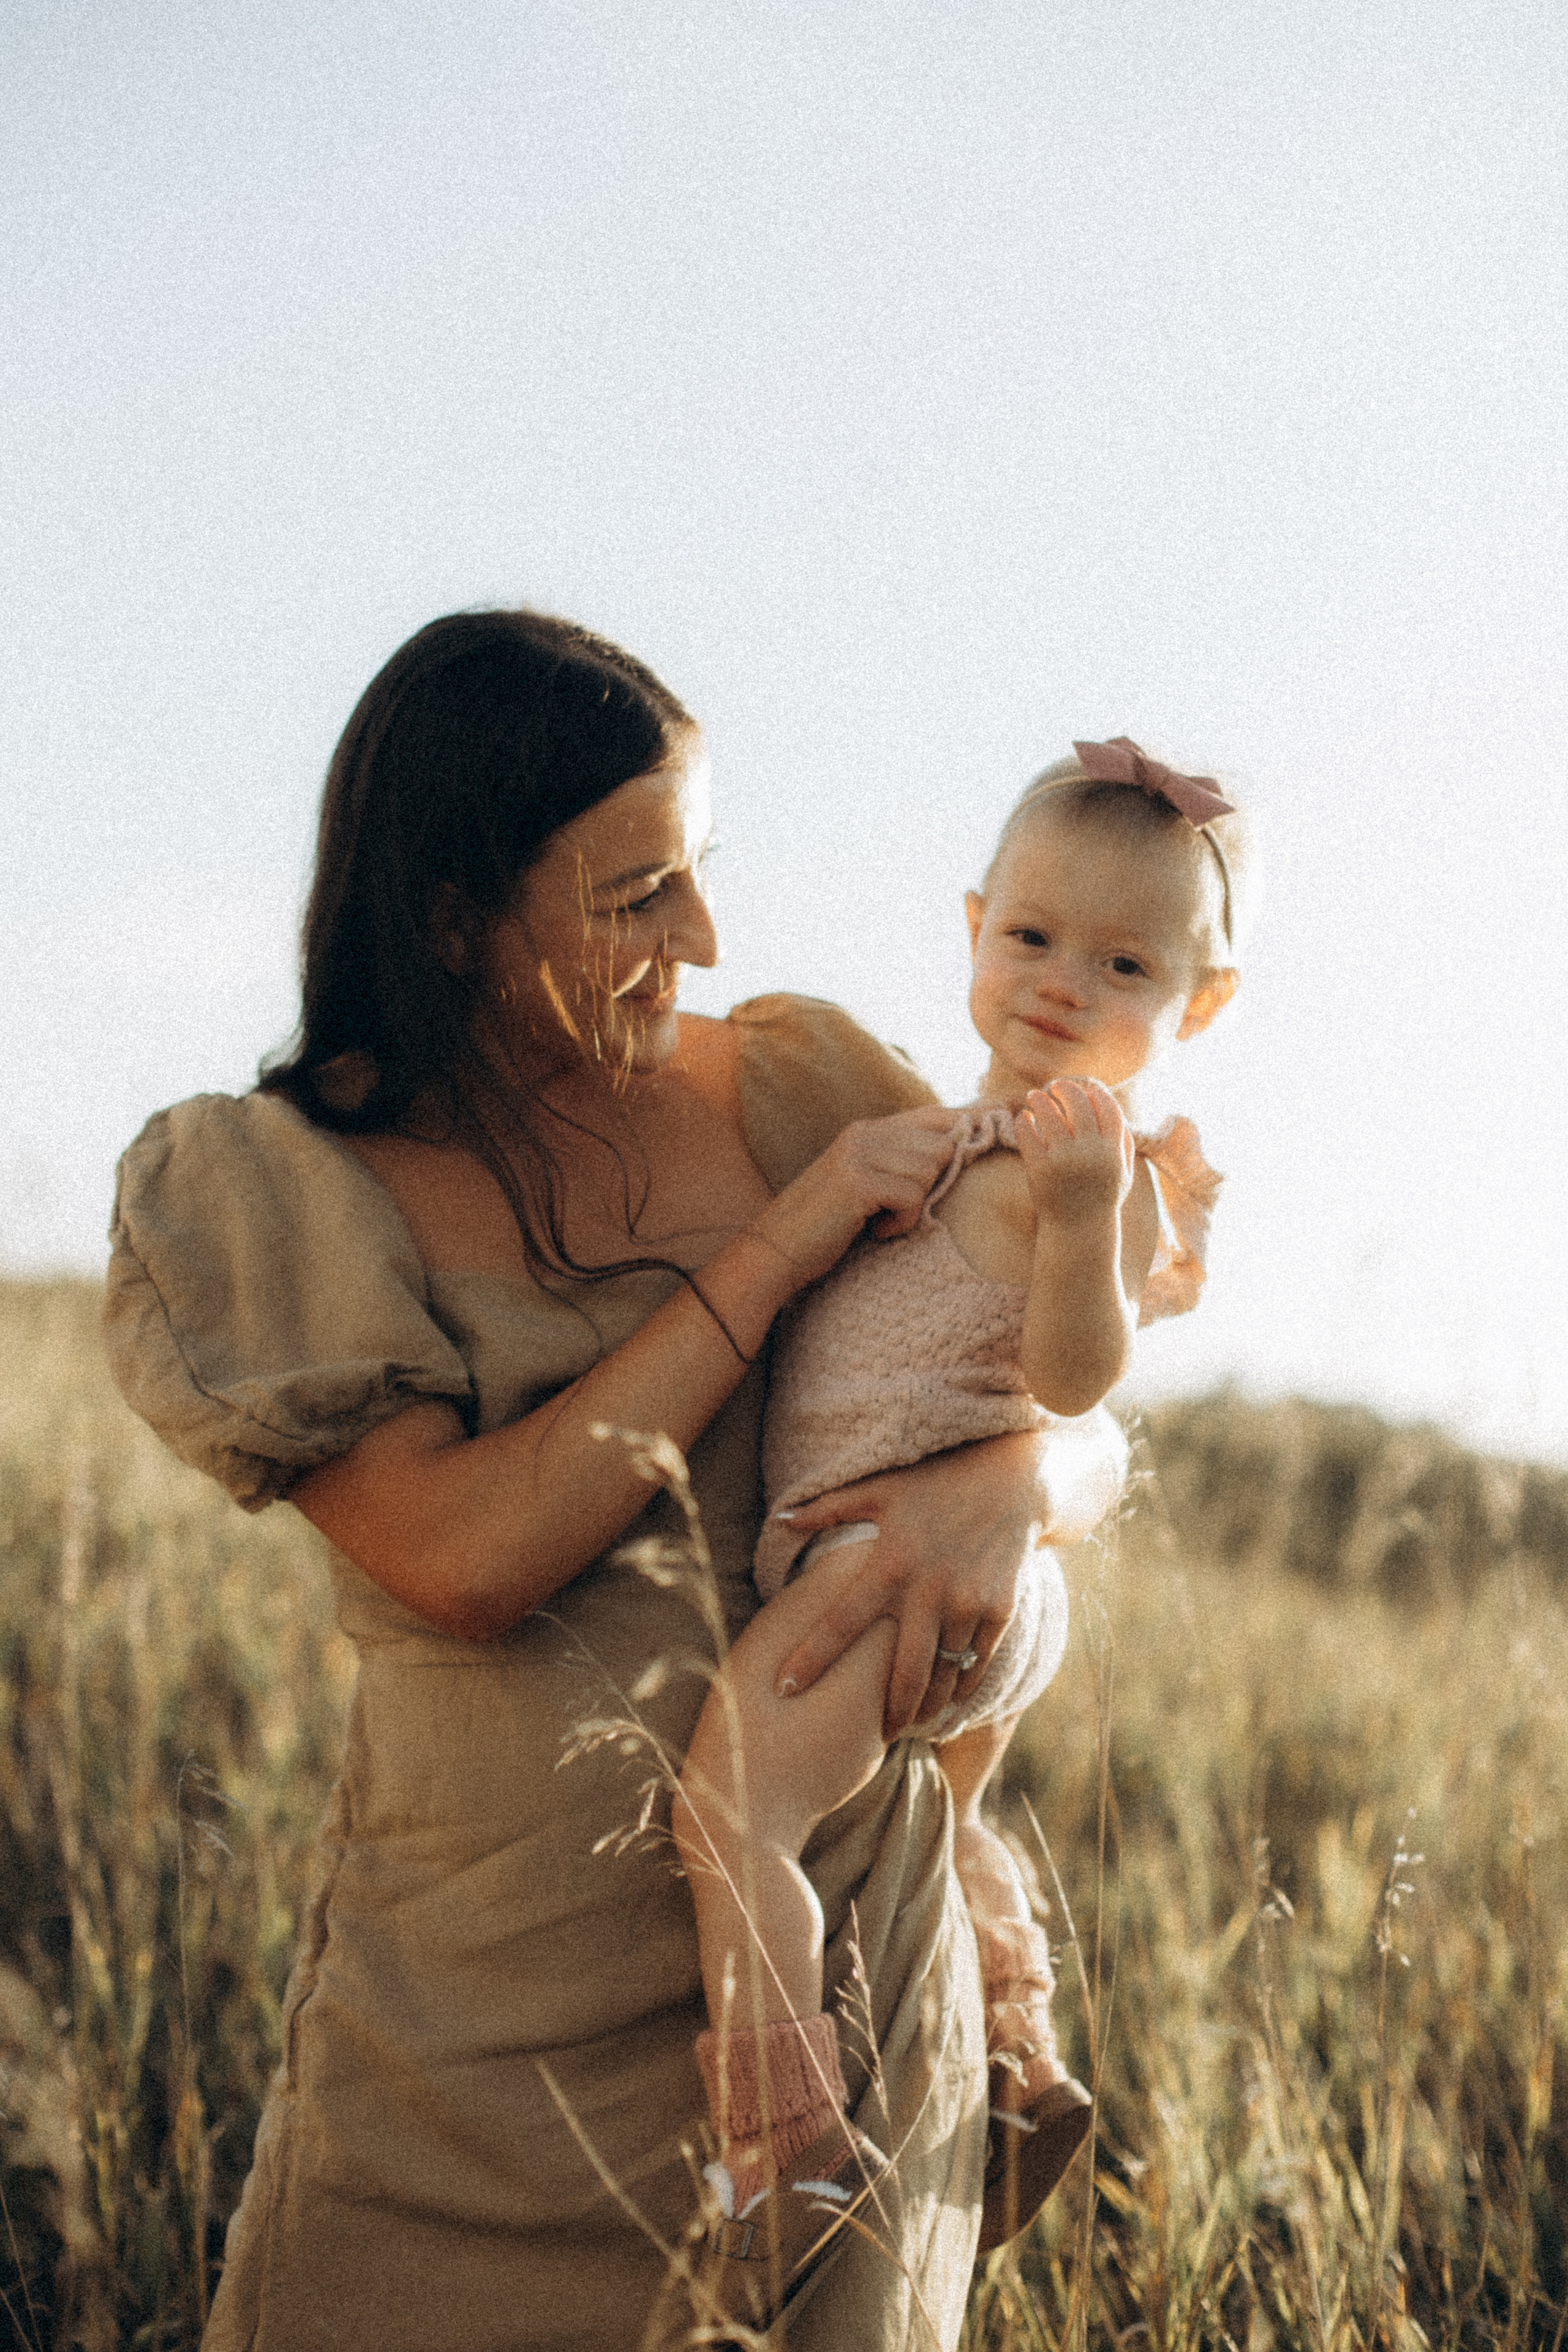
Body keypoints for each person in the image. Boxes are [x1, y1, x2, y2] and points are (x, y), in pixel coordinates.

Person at [102, 609, 1129, 2352]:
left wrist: (1019, 1486)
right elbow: (466, 1555)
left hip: (832, 1985)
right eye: (634, 893)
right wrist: (788, 1246)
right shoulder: (273, 1182)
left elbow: (1052, 1379)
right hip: (475, 2048)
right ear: (449, 917)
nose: (704, 936)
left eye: (699, 872)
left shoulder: (794, 1084)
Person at [669, 738, 1248, 2314]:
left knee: (730, 1813)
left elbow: (1072, 1378)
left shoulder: (1091, 1167)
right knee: (951, 1821)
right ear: (976, 923)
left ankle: (778, 2167)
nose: (1063, 981)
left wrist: (1079, 1224)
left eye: (1124, 962)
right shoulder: (950, 1134)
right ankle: (1010, 2057)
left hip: (915, 1565)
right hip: (911, 1555)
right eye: (1033, 937)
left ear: (1196, 1005)